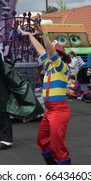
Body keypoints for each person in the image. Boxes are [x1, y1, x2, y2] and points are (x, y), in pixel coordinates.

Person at [19, 24, 71, 165]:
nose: (50, 56)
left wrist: (43, 34)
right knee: (42, 141)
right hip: (50, 110)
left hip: (59, 110)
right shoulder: (49, 66)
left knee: (57, 146)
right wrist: (30, 36)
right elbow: (42, 50)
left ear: (61, 57)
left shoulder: (62, 68)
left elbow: (50, 51)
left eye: (54, 55)